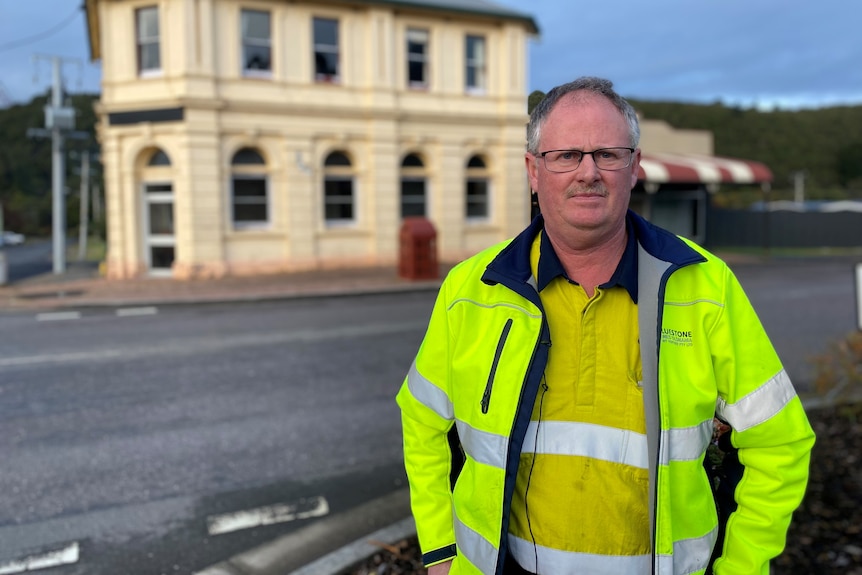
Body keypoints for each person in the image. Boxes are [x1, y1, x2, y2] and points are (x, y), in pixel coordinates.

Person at [396, 76, 815, 575]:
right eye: (566, 155)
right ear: (534, 171)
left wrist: (741, 568)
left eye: (608, 154)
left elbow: (779, 442)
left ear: (634, 167)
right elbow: (422, 421)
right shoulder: (472, 289)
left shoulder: (705, 287)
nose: (588, 172)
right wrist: (442, 552)